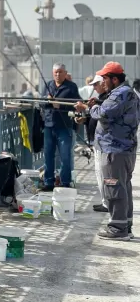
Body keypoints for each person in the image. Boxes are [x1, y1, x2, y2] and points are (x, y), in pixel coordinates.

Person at [79, 62, 139, 240]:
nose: (102, 82)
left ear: (114, 79)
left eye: (104, 78)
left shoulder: (120, 94)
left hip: (114, 149)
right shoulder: (129, 93)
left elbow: (103, 114)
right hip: (124, 149)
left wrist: (89, 108)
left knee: (113, 187)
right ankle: (125, 225)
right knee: (123, 187)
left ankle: (117, 229)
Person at [41, 63, 81, 191]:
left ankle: (65, 182)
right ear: (53, 73)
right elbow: (41, 103)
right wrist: (47, 101)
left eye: (60, 72)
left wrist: (60, 106)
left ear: (65, 73)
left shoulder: (71, 87)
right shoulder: (48, 85)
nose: (58, 74)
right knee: (48, 155)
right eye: (56, 72)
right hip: (48, 126)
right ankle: (48, 182)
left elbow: (76, 104)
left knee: (65, 156)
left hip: (64, 126)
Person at [74, 74, 108, 212]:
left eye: (95, 84)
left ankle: (108, 203)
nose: (93, 87)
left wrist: (85, 109)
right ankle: (105, 201)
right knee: (99, 172)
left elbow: (103, 115)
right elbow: (94, 116)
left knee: (103, 173)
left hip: (103, 142)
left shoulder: (108, 99)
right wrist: (84, 119)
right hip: (96, 141)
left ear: (103, 84)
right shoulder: (100, 99)